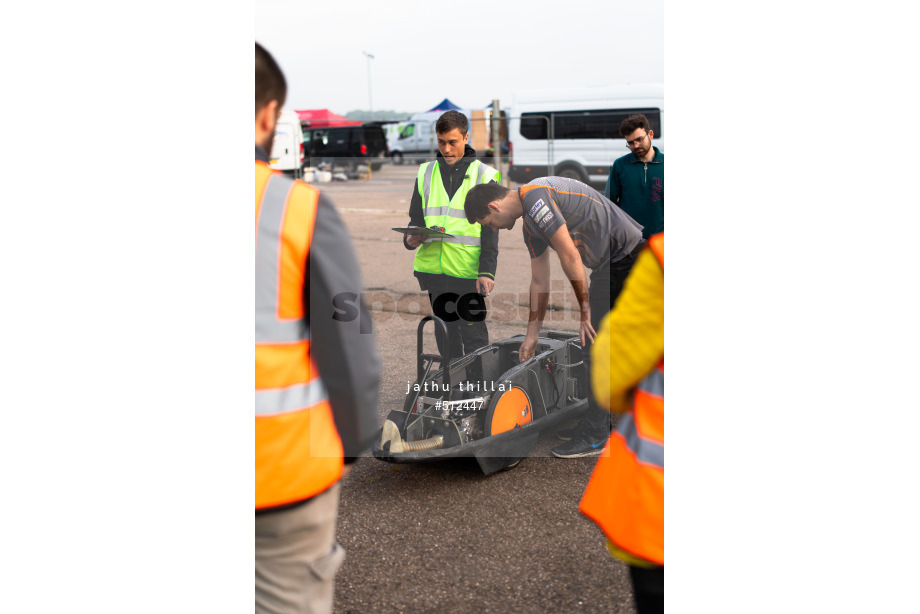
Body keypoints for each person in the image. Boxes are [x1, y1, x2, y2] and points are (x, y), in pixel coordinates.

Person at [255, 42, 381, 614]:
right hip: (277, 478)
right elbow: (350, 348)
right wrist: (352, 443)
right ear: (267, 115)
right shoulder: (293, 209)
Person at [464, 178, 644, 458]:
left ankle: (596, 434)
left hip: (628, 260)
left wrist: (585, 312)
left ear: (494, 206)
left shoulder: (535, 199)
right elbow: (539, 281)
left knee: (597, 347)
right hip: (613, 265)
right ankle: (596, 424)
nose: (492, 228)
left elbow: (570, 256)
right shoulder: (530, 224)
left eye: (487, 223)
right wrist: (532, 335)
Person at [580, 233, 664, 613]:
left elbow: (610, 380)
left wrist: (589, 315)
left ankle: (593, 432)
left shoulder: (664, 260)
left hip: (658, 512)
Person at [403, 110, 501, 378]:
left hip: (468, 272)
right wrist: (411, 238)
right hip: (435, 271)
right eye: (441, 141)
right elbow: (415, 218)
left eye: (452, 142)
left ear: (466, 138)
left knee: (474, 338)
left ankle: (480, 390)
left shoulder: (486, 175)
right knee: (445, 336)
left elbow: (491, 230)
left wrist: (487, 270)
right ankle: (453, 387)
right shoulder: (425, 173)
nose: (446, 149)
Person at [605, 114, 664, 239]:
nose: (636, 146)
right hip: (629, 242)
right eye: (630, 143)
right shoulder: (620, 165)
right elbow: (608, 204)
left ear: (650, 135)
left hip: (660, 242)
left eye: (639, 139)